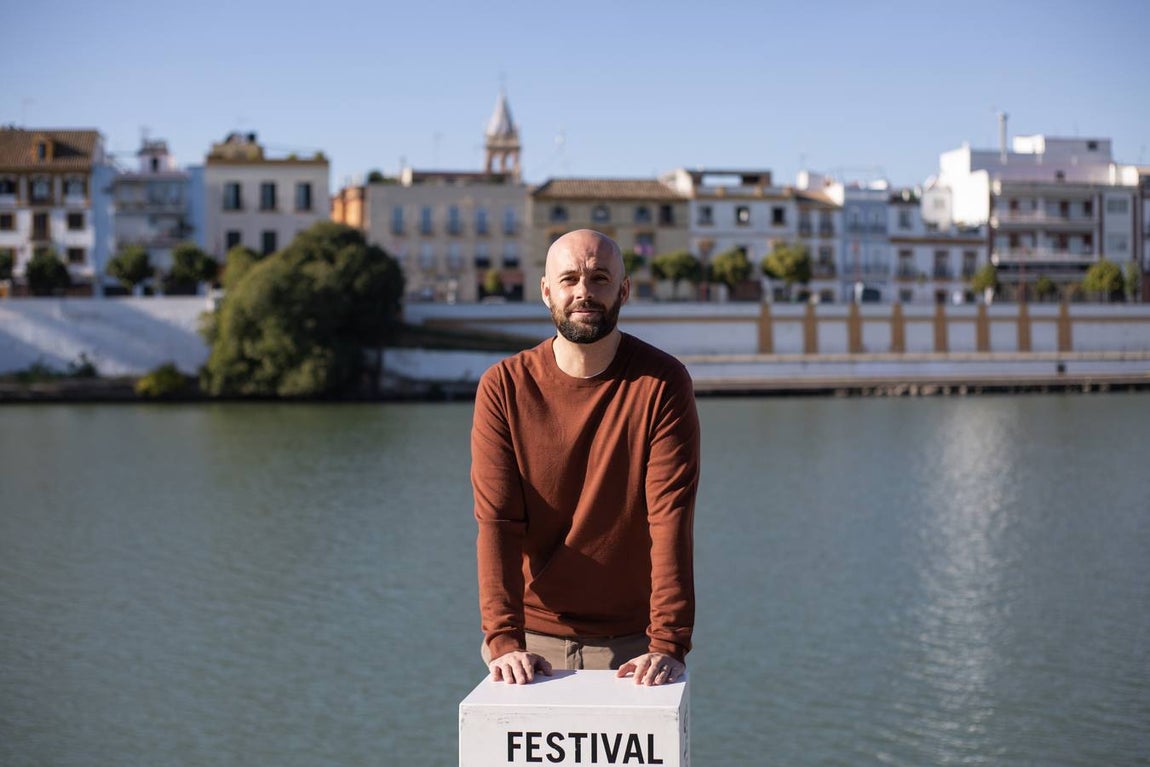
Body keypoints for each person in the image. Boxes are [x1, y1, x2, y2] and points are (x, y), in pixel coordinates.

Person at [471, 229, 700, 687]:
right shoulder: (504, 387)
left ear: (624, 289)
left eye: (599, 278)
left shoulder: (662, 384)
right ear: (545, 290)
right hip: (530, 647)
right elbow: (497, 522)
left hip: (634, 649)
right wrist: (504, 640)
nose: (583, 293)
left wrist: (668, 643)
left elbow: (669, 518)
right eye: (570, 278)